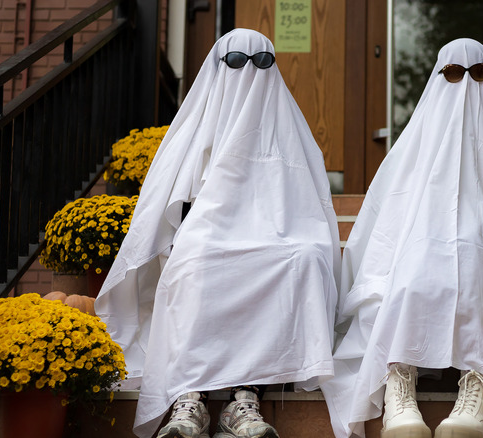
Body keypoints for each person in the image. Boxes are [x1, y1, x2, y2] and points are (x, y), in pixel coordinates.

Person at [95, 28, 341, 438]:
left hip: (280, 236)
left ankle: (246, 396)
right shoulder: (198, 126)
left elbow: (313, 203)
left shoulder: (290, 128)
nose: (249, 72)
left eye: (261, 61)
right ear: (217, 67)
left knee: (303, 259)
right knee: (194, 260)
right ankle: (192, 396)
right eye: (236, 61)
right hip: (209, 232)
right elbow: (168, 198)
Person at [319, 38, 483, 438]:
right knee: (409, 279)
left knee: (475, 270)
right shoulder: (412, 149)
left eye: (479, 74)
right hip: (416, 253)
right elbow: (386, 224)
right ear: (439, 76)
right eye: (455, 73)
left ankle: (479, 381)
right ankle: (399, 381)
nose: (467, 85)